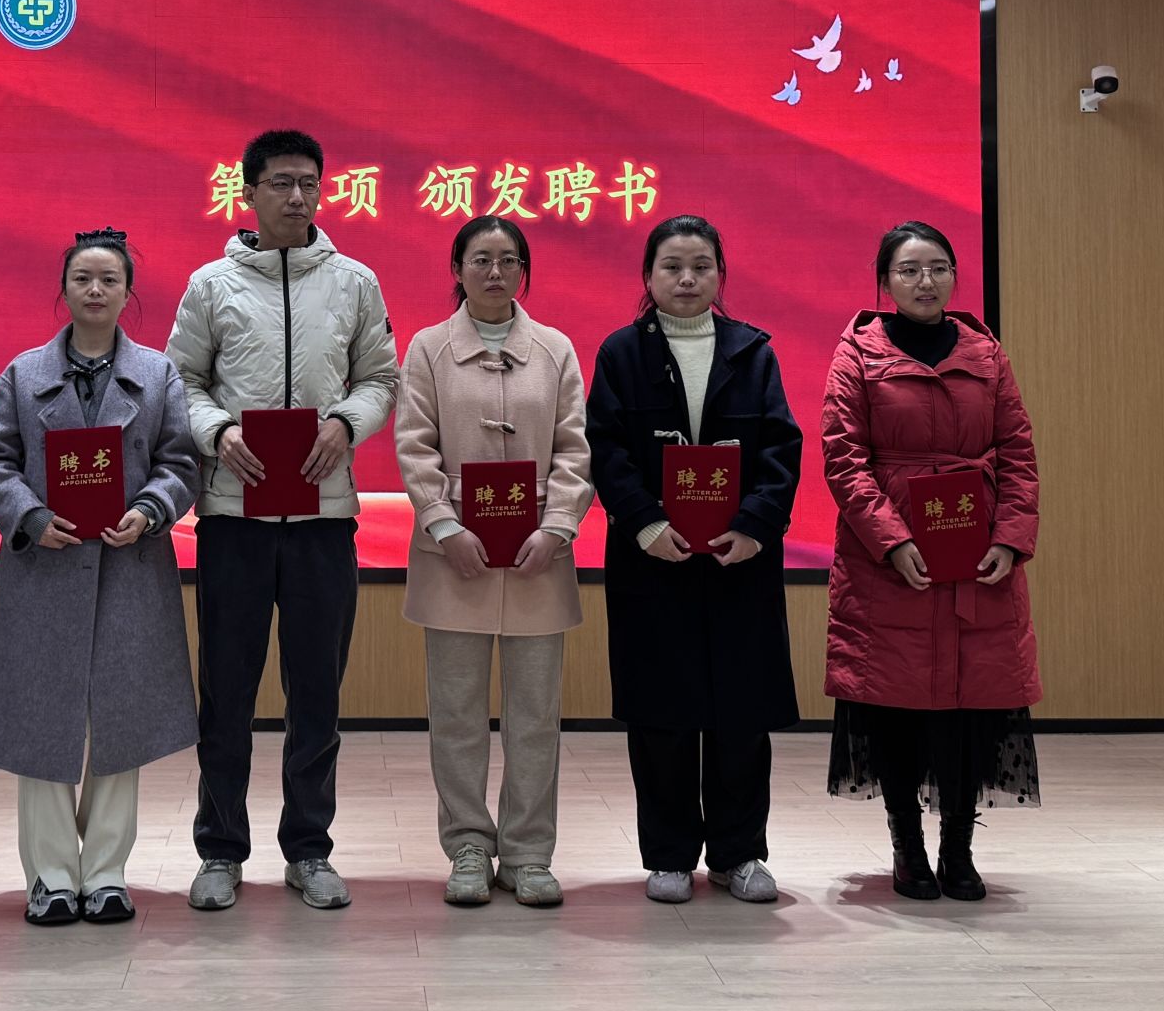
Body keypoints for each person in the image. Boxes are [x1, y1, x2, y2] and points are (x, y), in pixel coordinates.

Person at [166, 128, 401, 911]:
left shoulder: (355, 282)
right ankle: (220, 850)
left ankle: (309, 849)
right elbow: (181, 382)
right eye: (281, 183)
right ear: (249, 192)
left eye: (309, 184)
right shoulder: (210, 285)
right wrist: (217, 433)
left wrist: (347, 422)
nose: (297, 197)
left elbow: (381, 377)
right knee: (226, 693)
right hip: (233, 516)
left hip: (324, 519)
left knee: (317, 695)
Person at [0, 230, 201, 926]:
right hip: (44, 567)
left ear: (129, 294)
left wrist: (150, 510)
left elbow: (181, 463)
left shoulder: (158, 375)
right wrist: (30, 516)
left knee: (122, 721)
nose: (95, 290)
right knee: (42, 721)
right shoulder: (22, 375)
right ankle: (49, 877)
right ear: (64, 289)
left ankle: (105, 873)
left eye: (109, 280)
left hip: (130, 565)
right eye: (82, 279)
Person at [821, 220, 1042, 901]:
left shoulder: (986, 353)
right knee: (896, 709)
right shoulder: (858, 354)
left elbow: (1018, 452)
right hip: (888, 563)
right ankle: (908, 848)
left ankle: (958, 850)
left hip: (976, 553)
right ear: (885, 282)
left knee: (970, 711)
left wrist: (1010, 537)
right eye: (910, 270)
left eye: (939, 268)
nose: (926, 281)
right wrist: (892, 540)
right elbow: (844, 458)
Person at [586, 215, 801, 905]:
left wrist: (756, 526)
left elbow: (781, 448)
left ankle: (739, 854)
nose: (687, 279)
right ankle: (670, 854)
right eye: (672, 266)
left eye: (701, 266)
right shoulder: (622, 353)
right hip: (654, 559)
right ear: (648, 277)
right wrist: (645, 523)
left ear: (720, 275)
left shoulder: (752, 352)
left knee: (740, 712)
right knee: (663, 712)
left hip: (739, 560)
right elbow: (604, 449)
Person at [395, 216, 591, 908]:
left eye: (509, 260)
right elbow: (414, 444)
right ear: (457, 269)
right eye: (481, 259)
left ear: (524, 271)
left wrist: (558, 525)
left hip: (538, 552)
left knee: (536, 713)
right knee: (456, 713)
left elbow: (575, 449)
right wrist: (443, 522)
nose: (496, 272)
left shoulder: (556, 350)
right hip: (454, 555)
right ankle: (469, 848)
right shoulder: (428, 348)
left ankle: (530, 852)